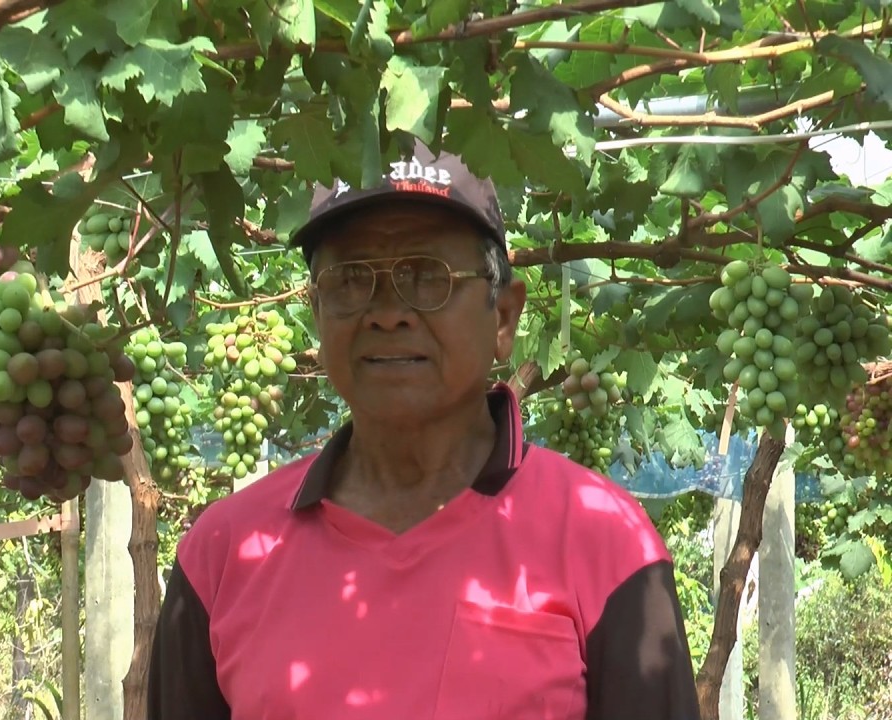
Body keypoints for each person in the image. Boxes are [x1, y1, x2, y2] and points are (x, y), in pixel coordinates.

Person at [146, 138, 701, 720]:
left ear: (504, 317)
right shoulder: (224, 553)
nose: (387, 312)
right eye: (351, 279)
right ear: (317, 314)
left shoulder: (604, 542)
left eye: (427, 276)